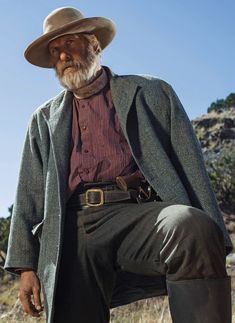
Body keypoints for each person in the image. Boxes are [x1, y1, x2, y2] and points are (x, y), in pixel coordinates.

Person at [5, 7, 232, 323]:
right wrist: (25, 266)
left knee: (191, 227)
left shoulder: (153, 92)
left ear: (95, 44)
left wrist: (213, 234)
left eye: (69, 43)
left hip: (138, 214)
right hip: (72, 228)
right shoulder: (43, 120)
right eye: (54, 50)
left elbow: (190, 164)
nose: (62, 56)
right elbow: (28, 195)